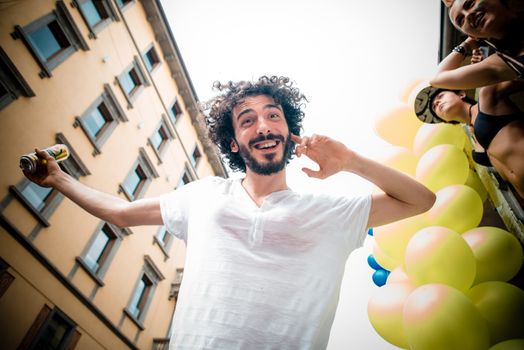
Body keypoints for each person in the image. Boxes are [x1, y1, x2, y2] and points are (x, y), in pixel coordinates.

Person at [24, 76, 435, 349]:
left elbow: (420, 199)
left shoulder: (329, 212)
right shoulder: (203, 195)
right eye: (248, 120)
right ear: (235, 143)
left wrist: (351, 162)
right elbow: (121, 212)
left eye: (274, 116)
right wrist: (59, 180)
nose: (264, 126)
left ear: (289, 133)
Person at [414, 84, 524, 198]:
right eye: (434, 107)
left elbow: (515, 74)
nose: (437, 103)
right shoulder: (474, 138)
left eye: (441, 96)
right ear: (445, 120)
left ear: (461, 94)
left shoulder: (486, 99)